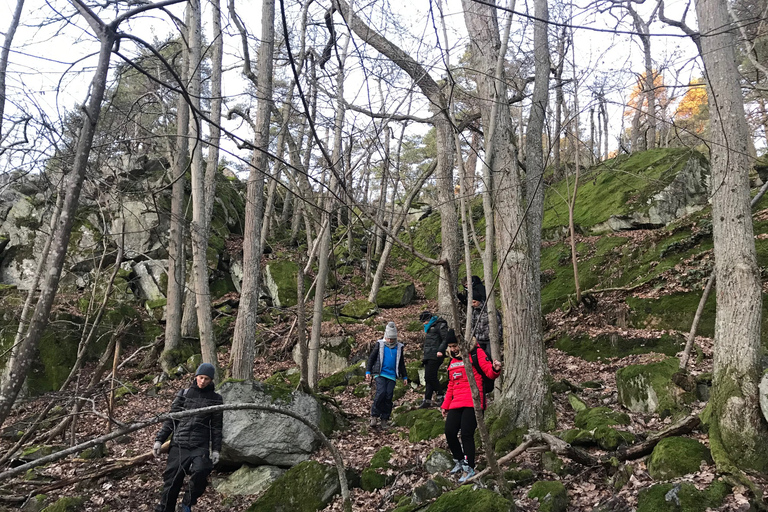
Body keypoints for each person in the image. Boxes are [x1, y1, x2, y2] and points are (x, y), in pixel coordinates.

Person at [153, 363, 223, 512]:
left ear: (211, 380)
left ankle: (187, 503)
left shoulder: (216, 399)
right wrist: (159, 440)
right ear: (196, 376)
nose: (203, 381)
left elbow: (217, 427)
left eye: (207, 379)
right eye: (201, 377)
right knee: (171, 483)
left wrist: (216, 450)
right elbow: (171, 419)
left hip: (200, 445)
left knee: (202, 471)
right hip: (179, 444)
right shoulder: (184, 394)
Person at [441, 329, 502, 483]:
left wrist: (495, 369)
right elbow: (451, 385)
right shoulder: (452, 360)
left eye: (455, 345)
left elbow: (489, 372)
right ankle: (459, 460)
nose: (453, 349)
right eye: (450, 346)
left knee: (466, 433)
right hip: (456, 402)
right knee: (449, 431)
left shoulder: (475, 353)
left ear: (461, 342)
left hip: (474, 400)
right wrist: (445, 405)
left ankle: (470, 467)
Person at [365, 321, 408, 430]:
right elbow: (371, 358)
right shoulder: (380, 344)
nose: (390, 341)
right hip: (380, 373)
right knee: (381, 393)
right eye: (388, 338)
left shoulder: (399, 347)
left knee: (388, 396)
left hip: (392, 375)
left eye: (392, 339)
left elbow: (401, 363)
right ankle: (374, 415)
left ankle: (385, 418)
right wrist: (368, 371)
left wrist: (405, 377)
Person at [419, 310, 449, 408]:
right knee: (429, 378)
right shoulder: (429, 328)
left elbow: (445, 338)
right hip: (428, 355)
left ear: (428, 319)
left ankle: (440, 395)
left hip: (436, 355)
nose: (423, 324)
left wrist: (441, 350)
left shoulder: (440, 325)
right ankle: (427, 400)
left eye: (424, 321)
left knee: (429, 377)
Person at [470, 286, 503, 355]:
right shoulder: (473, 312)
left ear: (479, 301)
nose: (473, 304)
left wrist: (498, 337)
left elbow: (498, 323)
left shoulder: (489, 309)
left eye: (474, 302)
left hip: (489, 340)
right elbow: (472, 325)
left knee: (490, 356)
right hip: (478, 339)